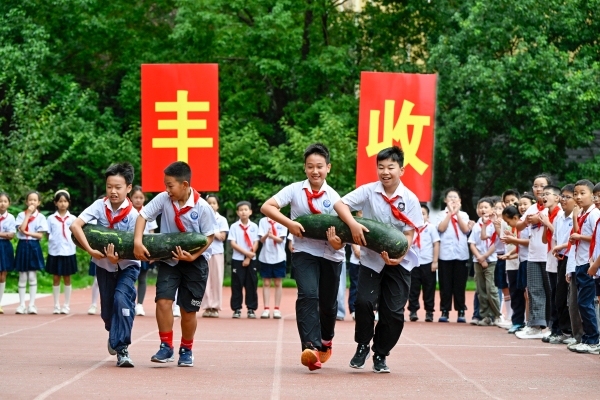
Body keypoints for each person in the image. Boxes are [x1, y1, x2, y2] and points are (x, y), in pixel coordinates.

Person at [334, 146, 423, 373]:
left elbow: (410, 233)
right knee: (363, 302)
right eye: (381, 167)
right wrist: (353, 224)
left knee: (393, 312)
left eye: (390, 167)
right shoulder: (368, 191)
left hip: (399, 261)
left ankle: (381, 353)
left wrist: (399, 256)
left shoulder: (410, 199)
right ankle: (363, 345)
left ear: (401, 170)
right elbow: (340, 204)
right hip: (371, 259)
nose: (385, 172)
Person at [261, 143, 345, 372]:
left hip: (331, 254)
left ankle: (326, 341)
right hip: (304, 251)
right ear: (305, 168)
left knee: (328, 304)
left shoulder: (334, 197)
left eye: (319, 166)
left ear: (328, 168)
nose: (314, 171)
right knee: (308, 295)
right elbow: (267, 207)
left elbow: (345, 231)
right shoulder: (294, 190)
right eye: (310, 166)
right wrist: (289, 224)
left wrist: (339, 242)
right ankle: (311, 348)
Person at [133, 161, 215, 367]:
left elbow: (209, 237)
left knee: (188, 310)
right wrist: (137, 241)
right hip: (169, 260)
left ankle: (186, 349)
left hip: (195, 263)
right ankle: (166, 346)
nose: (167, 190)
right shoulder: (163, 199)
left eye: (170, 185)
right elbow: (143, 215)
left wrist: (193, 257)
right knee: (163, 301)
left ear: (184, 184)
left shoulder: (203, 207)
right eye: (165, 185)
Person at [70, 162, 140, 367]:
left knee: (122, 300)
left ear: (128, 188)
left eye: (118, 187)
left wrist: (119, 258)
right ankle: (113, 330)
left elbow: (136, 246)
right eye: (109, 187)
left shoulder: (134, 216)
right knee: (107, 312)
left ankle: (122, 349)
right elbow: (75, 225)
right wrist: (90, 251)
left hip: (128, 265)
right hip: (103, 265)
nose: (113, 191)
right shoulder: (99, 206)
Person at [515, 174, 553, 339]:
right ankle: (536, 325)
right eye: (535, 186)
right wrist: (526, 221)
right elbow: (518, 225)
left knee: (550, 291)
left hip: (549, 256)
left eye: (542, 186)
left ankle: (552, 326)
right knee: (534, 290)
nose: (538, 189)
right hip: (533, 255)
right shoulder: (531, 208)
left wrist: (541, 219)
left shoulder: (553, 207)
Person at [565, 180, 600, 354]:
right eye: (575, 194)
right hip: (580, 262)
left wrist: (579, 237)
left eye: (582, 193)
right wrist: (574, 219)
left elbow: (596, 237)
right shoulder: (582, 213)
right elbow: (579, 234)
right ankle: (587, 338)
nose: (578, 197)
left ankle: (593, 339)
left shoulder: (594, 214)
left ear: (592, 196)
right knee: (582, 303)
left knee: (586, 303)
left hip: (588, 262)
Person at [546, 184, 576, 344]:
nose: (563, 200)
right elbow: (557, 238)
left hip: (574, 259)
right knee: (559, 296)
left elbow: (576, 239)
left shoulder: (577, 217)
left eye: (567, 197)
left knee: (571, 297)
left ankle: (573, 332)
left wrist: (561, 247)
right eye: (562, 196)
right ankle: (564, 331)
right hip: (561, 259)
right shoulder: (559, 218)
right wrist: (558, 249)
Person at [436, 188, 471, 323]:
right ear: (445, 200)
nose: (452, 199)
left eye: (455, 197)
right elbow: (441, 228)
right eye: (450, 197)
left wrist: (457, 214)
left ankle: (461, 310)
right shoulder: (441, 214)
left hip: (461, 254)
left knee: (460, 284)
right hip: (445, 254)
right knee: (445, 284)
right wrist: (450, 213)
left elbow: (465, 229)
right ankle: (445, 310)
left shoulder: (464, 215)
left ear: (460, 200)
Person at [14, 191, 48, 315]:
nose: (32, 202)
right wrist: (28, 214)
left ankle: (32, 304)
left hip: (34, 246)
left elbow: (40, 235)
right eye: (30, 200)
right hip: (23, 245)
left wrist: (27, 233)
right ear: (26, 202)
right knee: (22, 276)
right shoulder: (21, 215)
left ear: (39, 203)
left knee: (32, 276)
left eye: (35, 200)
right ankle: (21, 304)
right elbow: (21, 229)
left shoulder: (41, 217)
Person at [539, 185, 564, 343]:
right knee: (553, 294)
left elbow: (561, 236)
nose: (544, 197)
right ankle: (554, 328)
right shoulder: (548, 214)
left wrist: (548, 223)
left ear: (557, 197)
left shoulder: (560, 214)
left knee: (558, 295)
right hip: (550, 257)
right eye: (543, 195)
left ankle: (559, 329)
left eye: (547, 194)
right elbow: (544, 240)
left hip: (559, 258)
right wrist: (545, 224)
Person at [469, 197, 500, 326]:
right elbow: (472, 243)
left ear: (492, 209)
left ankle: (498, 315)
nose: (483, 209)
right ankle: (485, 316)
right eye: (480, 207)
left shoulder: (496, 223)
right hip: (478, 261)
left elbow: (496, 243)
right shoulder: (477, 225)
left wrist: (485, 257)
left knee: (490, 289)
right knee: (480, 290)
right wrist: (479, 258)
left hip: (491, 260)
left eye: (486, 207)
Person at [46, 190, 78, 315]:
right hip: (55, 251)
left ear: (69, 203)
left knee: (67, 277)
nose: (63, 204)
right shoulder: (51, 219)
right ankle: (56, 305)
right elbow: (47, 233)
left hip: (68, 251)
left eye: (65, 201)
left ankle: (66, 305)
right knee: (55, 277)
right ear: (55, 203)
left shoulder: (73, 219)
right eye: (60, 201)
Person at [408, 204, 440, 323]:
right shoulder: (410, 228)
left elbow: (436, 244)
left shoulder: (431, 228)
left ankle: (429, 312)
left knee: (429, 288)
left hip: (428, 262)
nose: (421, 216)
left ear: (428, 216)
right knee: (413, 288)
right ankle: (413, 311)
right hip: (414, 263)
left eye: (423, 213)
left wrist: (435, 261)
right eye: (419, 213)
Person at [129, 186, 158, 317]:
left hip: (144, 249)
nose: (138, 200)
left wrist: (153, 253)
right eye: (136, 197)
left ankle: (139, 304)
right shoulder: (127, 211)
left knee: (142, 277)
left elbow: (152, 234)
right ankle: (129, 303)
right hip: (129, 248)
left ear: (144, 199)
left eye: (141, 197)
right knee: (129, 277)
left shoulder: (149, 212)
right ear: (131, 198)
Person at [228, 201, 259, 319]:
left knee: (251, 283)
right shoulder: (234, 227)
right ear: (237, 212)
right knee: (237, 284)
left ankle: (251, 308)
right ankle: (236, 308)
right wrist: (246, 254)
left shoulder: (254, 227)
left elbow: (256, 243)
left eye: (246, 209)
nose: (243, 212)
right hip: (237, 259)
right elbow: (233, 243)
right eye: (241, 210)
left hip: (251, 259)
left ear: (250, 212)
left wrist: (249, 257)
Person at [201, 194, 229, 318]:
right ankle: (207, 306)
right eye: (209, 203)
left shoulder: (221, 219)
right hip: (204, 252)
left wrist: (211, 230)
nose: (211, 205)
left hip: (217, 252)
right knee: (205, 279)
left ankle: (215, 307)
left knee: (217, 279)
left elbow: (222, 237)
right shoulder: (201, 218)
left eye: (214, 203)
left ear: (217, 206)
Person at [257, 214, 288, 319]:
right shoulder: (263, 221)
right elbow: (261, 240)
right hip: (265, 256)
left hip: (279, 257)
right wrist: (267, 235)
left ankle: (276, 309)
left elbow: (281, 239)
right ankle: (266, 308)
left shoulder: (282, 220)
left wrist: (272, 236)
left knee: (278, 283)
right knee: (266, 283)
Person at [0, 192, 16, 314]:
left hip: (4, 247)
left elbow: (11, 235)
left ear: (9, 204)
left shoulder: (10, 218)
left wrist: (2, 234)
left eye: (5, 201)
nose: (2, 204)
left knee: (2, 274)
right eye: (0, 201)